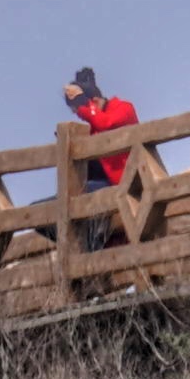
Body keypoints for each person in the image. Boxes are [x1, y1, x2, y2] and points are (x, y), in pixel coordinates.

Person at [64, 68, 138, 249]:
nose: (78, 114)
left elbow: (106, 123)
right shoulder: (93, 127)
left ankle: (90, 250)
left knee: (76, 196)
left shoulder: (123, 108)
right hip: (105, 186)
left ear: (93, 101)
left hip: (128, 185)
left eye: (77, 110)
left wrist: (82, 103)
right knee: (53, 205)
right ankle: (87, 248)